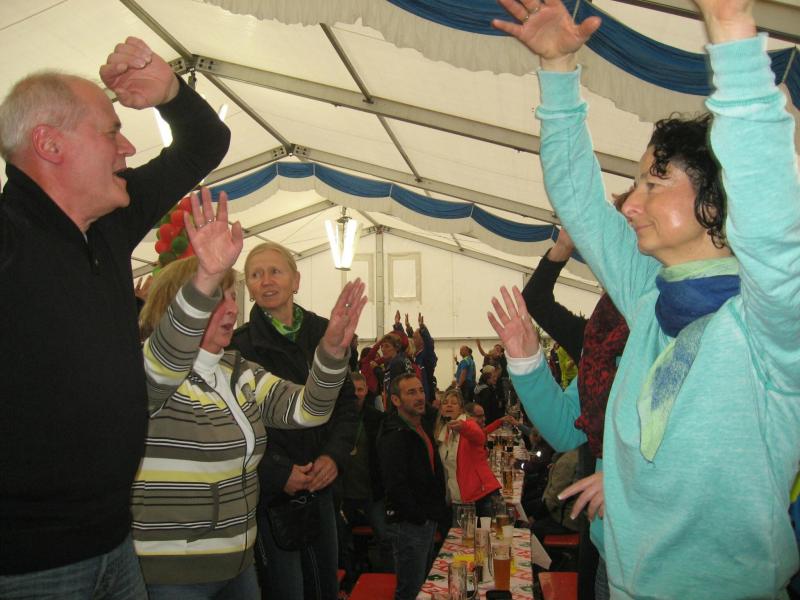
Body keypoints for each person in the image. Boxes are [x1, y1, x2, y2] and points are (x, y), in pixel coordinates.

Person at [491, 0, 799, 596]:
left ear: (716, 201)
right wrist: (558, 72)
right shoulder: (650, 299)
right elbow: (580, 201)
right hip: (624, 580)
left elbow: (770, 216)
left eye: (656, 182)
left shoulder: (770, 324)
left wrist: (733, 39)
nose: (631, 204)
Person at [0, 36, 230, 594]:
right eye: (110, 132)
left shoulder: (106, 225)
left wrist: (170, 92)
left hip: (115, 542)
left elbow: (204, 143)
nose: (127, 148)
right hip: (31, 566)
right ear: (49, 144)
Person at [133, 189, 366, 597]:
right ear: (179, 307)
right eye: (215, 298)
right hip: (174, 571)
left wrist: (330, 352)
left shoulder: (237, 369)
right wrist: (205, 274)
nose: (231, 308)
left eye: (230, 296)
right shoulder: (150, 370)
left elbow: (307, 410)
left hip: (237, 564)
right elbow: (166, 358)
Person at [229, 241, 358, 600]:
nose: (266, 281)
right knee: (287, 591)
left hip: (322, 486)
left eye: (276, 271)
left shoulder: (325, 332)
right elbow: (235, 426)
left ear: (296, 281)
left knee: (325, 586)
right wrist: (277, 472)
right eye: (256, 274)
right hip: (272, 496)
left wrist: (334, 456)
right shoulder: (238, 347)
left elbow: (347, 404)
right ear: (248, 286)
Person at [378, 374, 447, 600]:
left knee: (423, 587)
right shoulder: (394, 435)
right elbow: (395, 485)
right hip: (410, 524)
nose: (420, 397)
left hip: (425, 519)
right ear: (395, 400)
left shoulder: (420, 426)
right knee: (410, 591)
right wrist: (419, 516)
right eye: (411, 392)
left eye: (421, 390)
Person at [339, 372, 392, 575]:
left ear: (366, 391)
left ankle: (389, 578)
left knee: (385, 537)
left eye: (360, 389)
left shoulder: (377, 419)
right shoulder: (336, 418)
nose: (356, 394)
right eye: (352, 390)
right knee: (342, 541)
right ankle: (349, 579)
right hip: (344, 493)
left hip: (372, 491)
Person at [435, 389, 502, 518]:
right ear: (441, 409)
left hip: (482, 496)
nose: (449, 405)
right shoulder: (441, 433)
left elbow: (479, 436)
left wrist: (463, 427)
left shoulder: (469, 424)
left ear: (461, 409)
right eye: (445, 403)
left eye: (454, 403)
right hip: (459, 500)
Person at [404, 313, 438, 403]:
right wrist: (407, 327)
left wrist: (422, 328)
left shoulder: (427, 355)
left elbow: (429, 343)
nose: (412, 340)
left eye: (415, 338)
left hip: (426, 397)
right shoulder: (414, 356)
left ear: (422, 340)